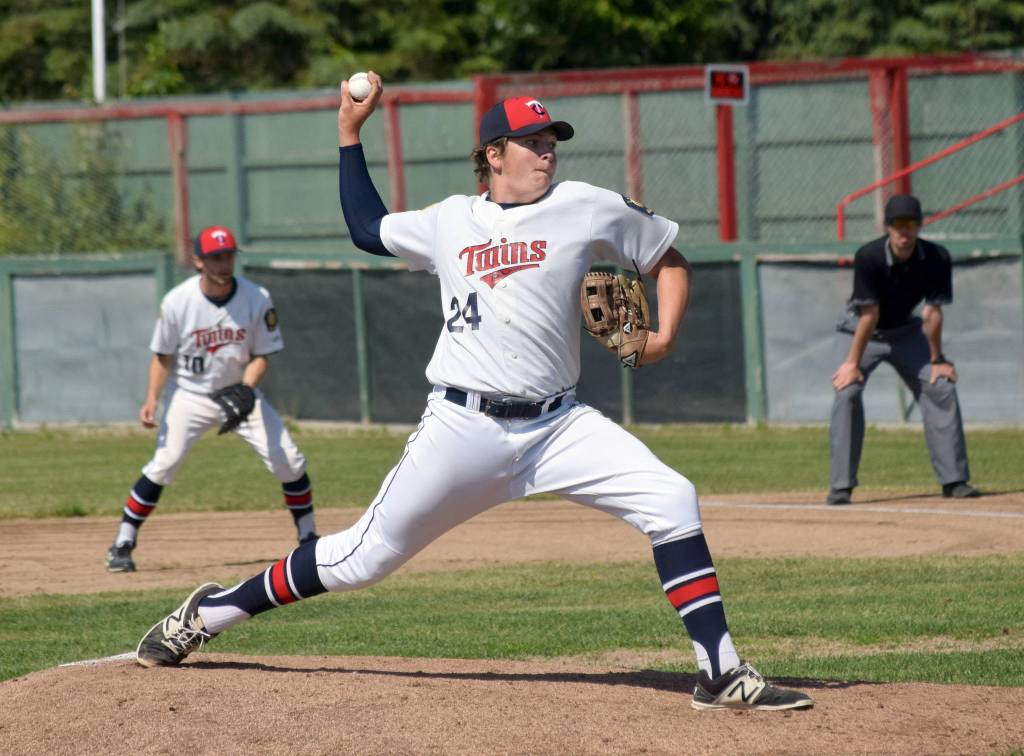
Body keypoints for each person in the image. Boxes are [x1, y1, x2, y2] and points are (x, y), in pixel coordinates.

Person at [135, 73, 812, 712]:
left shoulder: (589, 206)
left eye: (552, 141)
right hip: (463, 428)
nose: (548, 152)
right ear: (494, 153)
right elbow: (367, 230)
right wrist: (349, 135)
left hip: (559, 426)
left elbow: (667, 257)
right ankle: (210, 613)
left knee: (671, 498)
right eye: (534, 142)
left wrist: (662, 334)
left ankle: (720, 672)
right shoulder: (450, 220)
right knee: (359, 558)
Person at [104, 225, 318, 572]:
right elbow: (162, 356)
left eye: (228, 255)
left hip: (240, 391)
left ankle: (308, 538)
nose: (223, 263)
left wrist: (247, 389)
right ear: (198, 261)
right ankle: (122, 543)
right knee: (165, 463)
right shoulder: (178, 301)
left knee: (289, 460)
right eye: (215, 257)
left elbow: (261, 355)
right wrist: (151, 399)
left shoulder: (256, 297)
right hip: (190, 394)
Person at [826, 194, 979, 505]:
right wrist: (852, 363)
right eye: (898, 225)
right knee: (847, 392)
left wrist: (937, 360)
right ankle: (841, 486)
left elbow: (933, 313)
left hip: (906, 332)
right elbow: (869, 315)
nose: (904, 232)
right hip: (860, 330)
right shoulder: (869, 257)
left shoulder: (935, 257)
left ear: (920, 226)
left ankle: (954, 480)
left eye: (911, 224)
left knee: (941, 386)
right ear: (887, 227)